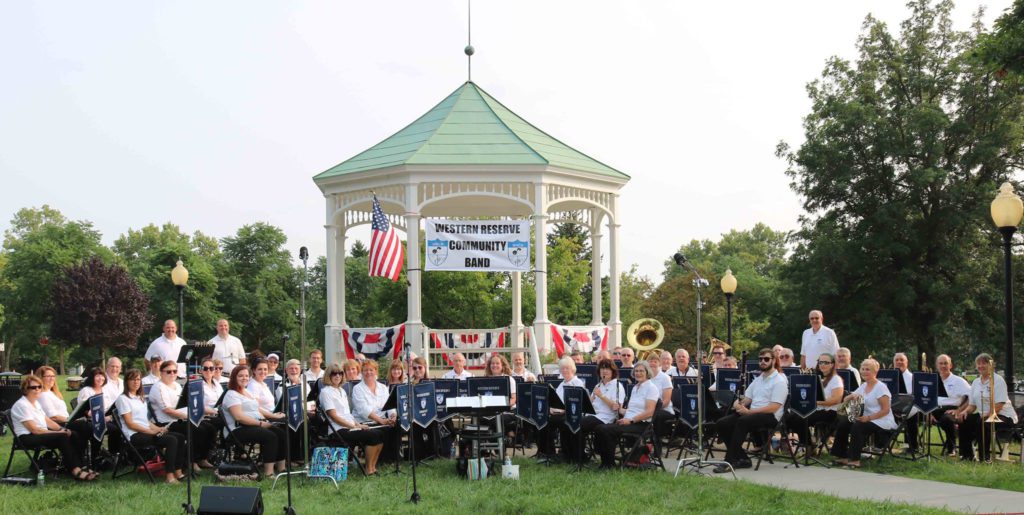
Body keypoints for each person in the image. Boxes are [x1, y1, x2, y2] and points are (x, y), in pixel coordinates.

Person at [713, 348, 788, 472]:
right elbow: (747, 398)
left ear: (774, 361)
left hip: (771, 416)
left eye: (766, 359)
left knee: (743, 421)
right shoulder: (758, 380)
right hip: (752, 414)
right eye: (760, 359)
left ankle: (730, 461)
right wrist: (738, 404)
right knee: (722, 423)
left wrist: (749, 412)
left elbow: (775, 407)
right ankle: (742, 459)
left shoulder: (779, 381)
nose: (763, 361)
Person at [12, 375, 97, 481]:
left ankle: (81, 466)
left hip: (39, 433)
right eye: (33, 387)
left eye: (39, 386)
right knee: (62, 437)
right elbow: (35, 430)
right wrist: (60, 433)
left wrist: (62, 429)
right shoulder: (22, 405)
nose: (37, 389)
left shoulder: (35, 402)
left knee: (73, 433)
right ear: (25, 389)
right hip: (27, 437)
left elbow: (47, 421)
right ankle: (75, 470)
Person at [117, 369, 186, 484]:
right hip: (134, 435)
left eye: (138, 379)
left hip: (145, 431)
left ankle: (178, 471)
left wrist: (158, 429)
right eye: (133, 379)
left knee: (180, 437)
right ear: (126, 382)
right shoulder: (123, 399)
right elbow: (131, 424)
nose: (136, 382)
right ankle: (169, 476)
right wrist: (152, 432)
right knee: (171, 440)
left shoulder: (141, 398)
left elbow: (146, 421)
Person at [222, 365, 288, 479]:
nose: (244, 378)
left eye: (246, 375)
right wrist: (261, 424)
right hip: (237, 429)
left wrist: (273, 416)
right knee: (270, 436)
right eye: (240, 376)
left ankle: (281, 468)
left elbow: (257, 408)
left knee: (281, 432)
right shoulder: (231, 394)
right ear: (234, 377)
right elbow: (239, 417)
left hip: (253, 424)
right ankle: (269, 472)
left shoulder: (247, 391)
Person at [149, 360, 217, 469]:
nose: (172, 374)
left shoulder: (177, 385)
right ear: (161, 373)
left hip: (182, 419)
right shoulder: (158, 387)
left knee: (210, 428)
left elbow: (186, 403)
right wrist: (188, 417)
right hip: (167, 422)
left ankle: (202, 458)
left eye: (174, 371)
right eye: (168, 371)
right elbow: (168, 410)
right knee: (198, 430)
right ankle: (191, 461)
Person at [320, 363, 386, 475]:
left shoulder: (342, 391)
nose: (337, 376)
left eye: (340, 373)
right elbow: (334, 416)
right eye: (334, 374)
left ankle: (372, 467)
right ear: (328, 376)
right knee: (373, 435)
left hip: (350, 426)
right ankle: (368, 469)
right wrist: (353, 426)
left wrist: (358, 425)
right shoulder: (326, 392)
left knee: (380, 434)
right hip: (338, 429)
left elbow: (348, 414)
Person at [593, 361, 660, 469]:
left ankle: (608, 464)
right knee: (600, 428)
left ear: (647, 373)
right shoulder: (635, 387)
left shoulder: (651, 388)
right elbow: (631, 410)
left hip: (641, 424)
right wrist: (619, 409)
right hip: (629, 420)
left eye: (641, 371)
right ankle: (606, 462)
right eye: (636, 371)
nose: (638, 373)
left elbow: (649, 412)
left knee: (605, 429)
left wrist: (631, 420)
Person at [831, 359, 896, 468]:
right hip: (864, 417)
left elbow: (886, 410)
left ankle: (855, 459)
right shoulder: (863, 386)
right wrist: (850, 396)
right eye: (863, 369)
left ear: (875, 372)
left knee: (858, 426)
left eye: (868, 369)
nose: (864, 372)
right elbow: (846, 399)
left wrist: (869, 418)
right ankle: (842, 456)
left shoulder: (881, 387)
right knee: (844, 423)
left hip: (881, 419)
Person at [953, 353, 1019, 462]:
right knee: (965, 419)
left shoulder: (998, 380)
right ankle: (967, 455)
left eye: (984, 363)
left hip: (1004, 416)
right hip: (983, 415)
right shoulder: (975, 382)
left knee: (982, 422)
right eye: (978, 364)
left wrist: (987, 414)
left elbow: (999, 404)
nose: (980, 366)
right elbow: (972, 405)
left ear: (991, 365)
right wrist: (964, 412)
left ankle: (984, 458)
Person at [784, 352, 844, 450]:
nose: (822, 365)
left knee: (800, 418)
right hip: (815, 409)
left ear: (832, 364)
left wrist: (815, 402)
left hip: (830, 412)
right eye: (820, 362)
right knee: (791, 417)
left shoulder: (836, 379)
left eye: (826, 362)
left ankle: (809, 447)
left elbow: (836, 400)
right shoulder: (816, 378)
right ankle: (806, 444)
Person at [35, 365, 94, 463]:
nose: (51, 378)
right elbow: (53, 417)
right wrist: (71, 419)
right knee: (85, 426)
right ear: (41, 378)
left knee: (86, 426)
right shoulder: (43, 395)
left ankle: (84, 458)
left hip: (64, 421)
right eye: (48, 376)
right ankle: (84, 459)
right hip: (54, 425)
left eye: (53, 376)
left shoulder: (53, 393)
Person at [537, 357, 584, 460]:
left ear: (572, 369)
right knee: (542, 420)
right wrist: (551, 409)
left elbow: (578, 403)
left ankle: (566, 453)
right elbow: (556, 401)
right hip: (559, 413)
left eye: (567, 368)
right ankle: (548, 452)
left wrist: (564, 410)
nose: (564, 371)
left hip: (572, 414)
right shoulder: (561, 384)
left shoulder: (578, 383)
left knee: (562, 422)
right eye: (562, 368)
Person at [351, 360, 398, 460]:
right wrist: (381, 421)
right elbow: (364, 410)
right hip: (364, 422)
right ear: (362, 372)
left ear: (376, 371)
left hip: (382, 420)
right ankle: (379, 460)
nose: (368, 373)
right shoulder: (357, 389)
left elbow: (389, 405)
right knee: (379, 431)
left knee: (397, 426)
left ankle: (392, 459)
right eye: (365, 370)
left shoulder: (383, 387)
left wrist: (393, 416)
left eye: (371, 370)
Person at [933, 354, 971, 456]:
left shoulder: (959, 381)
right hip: (933, 409)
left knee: (947, 420)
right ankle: (912, 446)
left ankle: (952, 448)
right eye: (941, 363)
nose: (943, 366)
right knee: (913, 414)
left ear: (951, 365)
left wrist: (959, 410)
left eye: (946, 363)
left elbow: (971, 397)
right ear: (937, 366)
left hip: (951, 409)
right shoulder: (933, 380)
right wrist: (927, 412)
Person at [892, 352, 920, 453]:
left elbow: (915, 396)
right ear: (893, 363)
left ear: (907, 363)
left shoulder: (913, 378)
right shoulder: (890, 376)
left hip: (910, 406)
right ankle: (881, 444)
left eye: (901, 360)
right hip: (891, 405)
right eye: (896, 360)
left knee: (912, 412)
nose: (899, 362)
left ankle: (912, 446)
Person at [645, 352, 674, 438]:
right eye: (650, 361)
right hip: (648, 408)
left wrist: (651, 410)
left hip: (664, 410)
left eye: (655, 361)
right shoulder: (645, 378)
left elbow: (666, 401)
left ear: (659, 363)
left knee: (655, 415)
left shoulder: (665, 378)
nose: (652, 363)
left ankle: (657, 444)